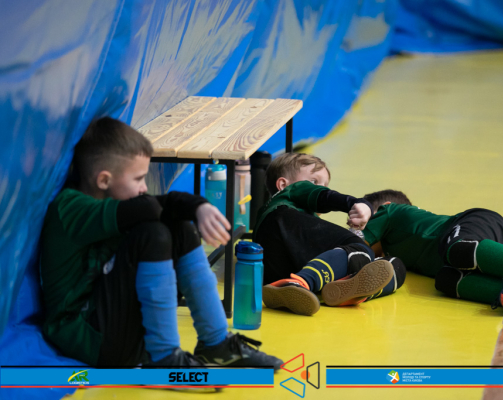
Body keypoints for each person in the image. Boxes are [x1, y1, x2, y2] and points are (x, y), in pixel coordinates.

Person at [41, 117, 282, 374]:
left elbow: (153, 206)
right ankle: (164, 357)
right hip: (90, 339)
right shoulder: (70, 208)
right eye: (138, 178)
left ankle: (216, 342)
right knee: (153, 233)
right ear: (104, 180)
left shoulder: (115, 202)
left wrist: (198, 207)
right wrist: (193, 205)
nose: (144, 187)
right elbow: (147, 206)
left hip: (118, 329)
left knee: (180, 228)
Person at [360, 189, 503, 315]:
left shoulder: (390, 212)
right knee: (445, 280)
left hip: (478, 224)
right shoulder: (395, 254)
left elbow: (356, 245)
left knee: (457, 249)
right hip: (485, 256)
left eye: (363, 223)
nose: (362, 228)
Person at [253, 153, 406, 316]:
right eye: (314, 182)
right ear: (283, 184)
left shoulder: (284, 224)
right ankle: (301, 283)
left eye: (326, 185)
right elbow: (324, 196)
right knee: (359, 249)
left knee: (394, 266)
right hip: (282, 224)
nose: (321, 188)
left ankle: (329, 289)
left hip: (274, 269)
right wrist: (359, 204)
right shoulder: (288, 197)